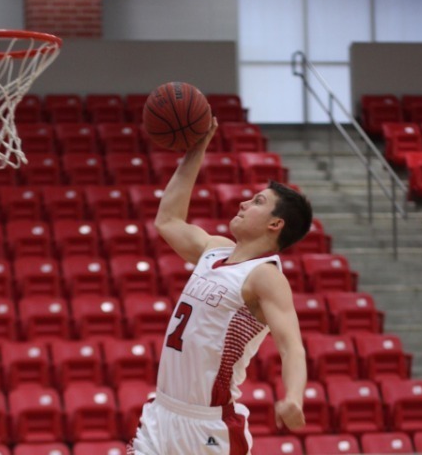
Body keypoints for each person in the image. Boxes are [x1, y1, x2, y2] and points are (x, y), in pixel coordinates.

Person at [129, 117, 313, 455]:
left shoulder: (265, 277)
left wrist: (293, 396)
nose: (244, 203)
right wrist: (196, 149)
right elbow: (168, 220)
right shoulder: (213, 250)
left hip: (209, 425)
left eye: (258, 201)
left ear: (276, 223)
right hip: (161, 413)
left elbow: (292, 347)